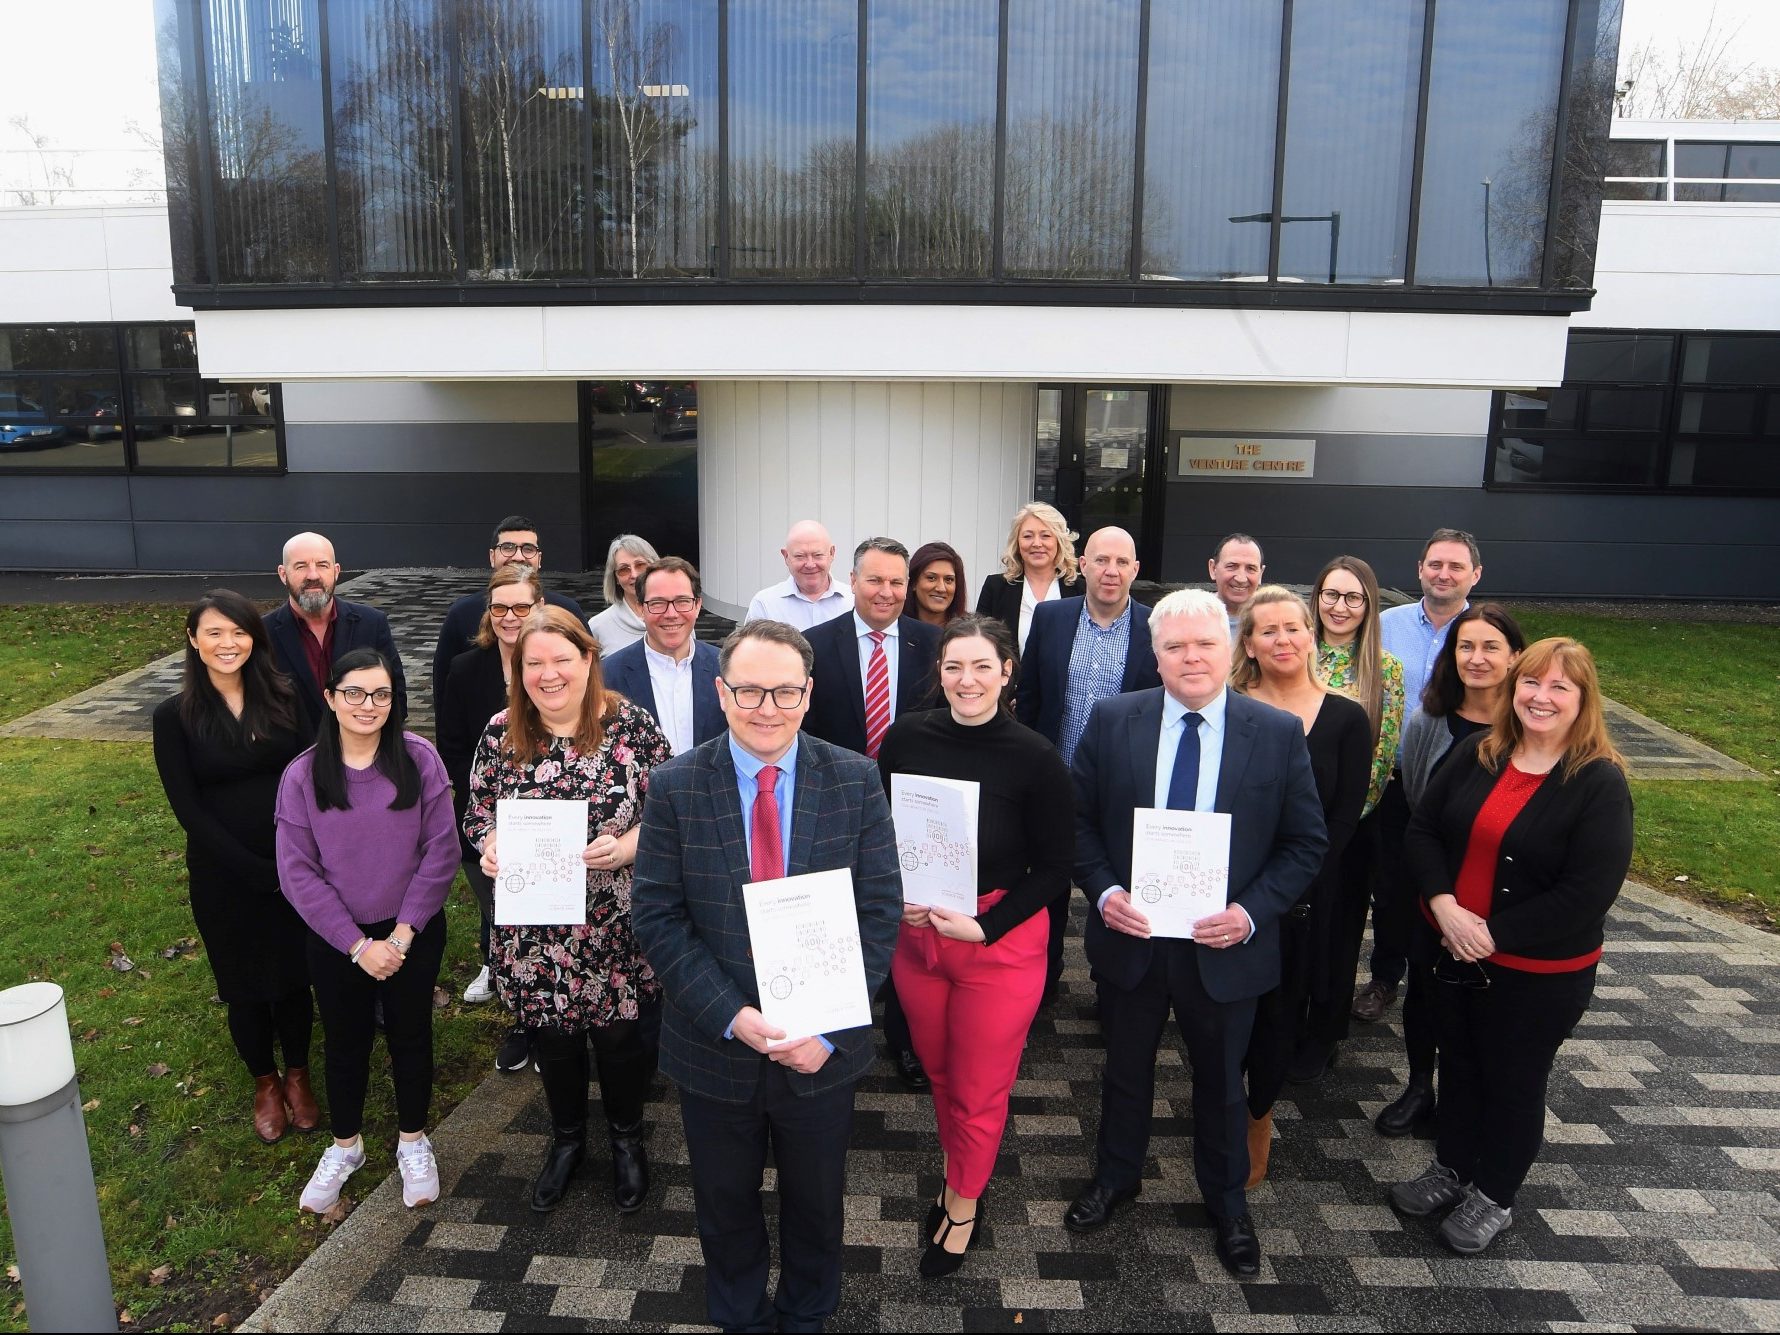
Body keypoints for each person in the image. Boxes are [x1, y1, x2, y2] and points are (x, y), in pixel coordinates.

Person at [631, 620, 902, 1332]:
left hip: (820, 1048)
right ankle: (741, 1315)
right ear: (721, 692)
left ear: (809, 693)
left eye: (784, 689)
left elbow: (880, 913)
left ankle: (808, 1311)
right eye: (748, 688)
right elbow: (657, 915)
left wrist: (832, 1028)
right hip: (714, 1045)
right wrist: (731, 1013)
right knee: (724, 1201)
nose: (766, 706)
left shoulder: (854, 779)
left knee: (817, 1200)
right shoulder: (676, 786)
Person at [1063, 589, 1326, 1279]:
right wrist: (1106, 890)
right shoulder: (1113, 718)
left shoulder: (1273, 732)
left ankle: (1228, 1203)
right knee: (1124, 1070)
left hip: (1225, 946)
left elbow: (1305, 843)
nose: (1190, 657)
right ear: (1155, 654)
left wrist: (1249, 913)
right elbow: (1078, 822)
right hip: (1135, 938)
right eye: (1174, 645)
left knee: (1221, 1082)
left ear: (1229, 647)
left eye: (1204, 643)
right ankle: (1116, 1176)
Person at [1388, 638, 1632, 1256]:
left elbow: (1588, 891)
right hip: (1451, 949)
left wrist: (1490, 934)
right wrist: (1444, 905)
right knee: (1459, 1064)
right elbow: (1422, 830)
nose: (1540, 697)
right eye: (1531, 683)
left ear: (1583, 700)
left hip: (1535, 972)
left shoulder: (1598, 783)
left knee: (1513, 1079)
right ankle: (1452, 1167)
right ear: (1513, 689)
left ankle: (1493, 1195)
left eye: (1559, 688)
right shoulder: (1479, 752)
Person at [877, 615, 1073, 1277]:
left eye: (982, 666)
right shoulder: (904, 738)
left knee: (980, 1086)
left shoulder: (1036, 757)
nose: (967, 679)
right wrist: (891, 890)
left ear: (1007, 671)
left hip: (999, 938)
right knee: (938, 1071)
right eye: (955, 666)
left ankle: (962, 1201)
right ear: (940, 671)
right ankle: (962, 1168)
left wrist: (988, 926)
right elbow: (884, 834)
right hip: (918, 935)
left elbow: (1055, 868)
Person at [464, 608, 673, 1215]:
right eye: (535, 663)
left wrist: (629, 845)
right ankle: (566, 1140)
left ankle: (627, 1138)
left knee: (619, 1036)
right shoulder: (501, 732)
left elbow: (668, 810)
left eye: (563, 659)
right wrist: (492, 847)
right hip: (536, 927)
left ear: (588, 660)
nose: (549, 674)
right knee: (553, 1038)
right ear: (518, 670)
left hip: (616, 920)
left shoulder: (631, 727)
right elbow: (477, 813)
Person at [275, 649, 458, 1215]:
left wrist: (400, 938)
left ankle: (412, 1140)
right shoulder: (303, 774)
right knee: (345, 1041)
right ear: (330, 699)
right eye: (354, 692)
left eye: (381, 694)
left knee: (410, 1034)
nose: (368, 705)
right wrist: (356, 945)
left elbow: (441, 850)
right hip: (338, 938)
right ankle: (345, 1146)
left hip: (412, 929)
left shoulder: (420, 759)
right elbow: (296, 870)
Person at [152, 589, 317, 1145]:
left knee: (294, 977)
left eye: (239, 631)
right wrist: (250, 869)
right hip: (224, 873)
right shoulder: (174, 717)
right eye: (215, 633)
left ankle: (297, 1073)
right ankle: (265, 1081)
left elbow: (315, 776)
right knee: (244, 983)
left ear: (255, 638)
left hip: (295, 863)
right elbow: (187, 808)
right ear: (194, 641)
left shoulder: (289, 697)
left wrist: (292, 860)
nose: (228, 643)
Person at [1228, 587, 1370, 1183]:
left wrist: (1287, 886)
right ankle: (1221, 1102)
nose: (1283, 640)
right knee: (1226, 1008)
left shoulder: (1346, 717)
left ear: (1312, 636)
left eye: (1294, 628)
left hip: (1305, 896)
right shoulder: (1228, 705)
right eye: (1268, 631)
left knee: (1280, 1013)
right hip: (1228, 890)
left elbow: (1343, 819)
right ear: (1250, 645)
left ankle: (1258, 1114)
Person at [1374, 603, 1525, 1138]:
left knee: (1487, 996)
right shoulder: (1428, 721)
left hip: (1502, 889)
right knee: (1426, 991)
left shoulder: (1532, 725)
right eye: (1465, 646)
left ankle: (1472, 1095)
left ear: (1515, 658)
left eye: (1490, 647)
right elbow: (1414, 802)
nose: (1476, 658)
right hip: (1433, 883)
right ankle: (1420, 1086)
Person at [804, 537, 942, 1091]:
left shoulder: (934, 643)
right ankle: (829, 1029)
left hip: (915, 808)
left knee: (907, 921)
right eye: (875, 580)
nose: (886, 592)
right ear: (853, 581)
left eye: (896, 582)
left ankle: (905, 1040)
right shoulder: (814, 644)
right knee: (835, 919)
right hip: (837, 806)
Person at [1015, 525, 1161, 1002]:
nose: (1111, 571)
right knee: (1048, 885)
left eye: (1122, 562)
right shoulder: (1052, 618)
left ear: (1136, 570)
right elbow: (1032, 696)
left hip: (1124, 785)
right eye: (1101, 560)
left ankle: (1111, 987)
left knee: (1116, 886)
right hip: (1054, 778)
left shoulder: (1156, 626)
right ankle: (1045, 977)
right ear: (1082, 565)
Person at [1359, 528, 1486, 1023]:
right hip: (1392, 782)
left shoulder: (1483, 632)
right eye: (1435, 564)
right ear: (1419, 570)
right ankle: (1384, 979)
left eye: (1456, 566)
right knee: (1391, 888)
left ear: (1475, 575)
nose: (1444, 574)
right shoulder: (1386, 625)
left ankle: (1442, 972)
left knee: (1450, 885)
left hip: (1461, 788)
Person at [436, 566, 540, 1064]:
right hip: (488, 818)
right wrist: (488, 813)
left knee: (555, 923)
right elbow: (453, 748)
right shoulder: (465, 669)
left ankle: (562, 1021)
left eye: (522, 607)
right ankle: (525, 1022)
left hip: (555, 817)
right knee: (506, 923)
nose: (510, 617)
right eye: (500, 607)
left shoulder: (557, 662)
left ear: (539, 608)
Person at [1306, 556, 1405, 1068]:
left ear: (1368, 606)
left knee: (1338, 931)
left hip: (1350, 830)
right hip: (1288, 825)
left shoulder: (1384, 669)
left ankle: (1323, 1032)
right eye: (1331, 594)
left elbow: (1380, 760)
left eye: (1353, 598)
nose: (1340, 607)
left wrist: (1337, 828)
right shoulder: (1293, 652)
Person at [430, 515, 586, 709]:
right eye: (508, 547)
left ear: (539, 559)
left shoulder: (568, 611)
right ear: (492, 556)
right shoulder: (460, 615)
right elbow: (444, 695)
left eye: (528, 549)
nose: (518, 556)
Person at [263, 532, 407, 738]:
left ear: (336, 571)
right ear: (283, 573)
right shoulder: (262, 633)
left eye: (322, 565)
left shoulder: (372, 623)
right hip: (290, 762)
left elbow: (396, 698)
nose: (313, 575)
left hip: (361, 756)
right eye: (301, 566)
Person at [601, 557, 725, 756]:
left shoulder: (727, 669)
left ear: (698, 605)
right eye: (658, 603)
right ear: (641, 608)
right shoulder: (606, 675)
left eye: (682, 601)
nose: (671, 613)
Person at [974, 501, 1082, 651]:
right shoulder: (996, 587)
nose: (1037, 543)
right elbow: (979, 642)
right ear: (1017, 542)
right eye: (1028, 536)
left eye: (1045, 535)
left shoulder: (1080, 590)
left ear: (1059, 541)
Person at [744, 519, 854, 630]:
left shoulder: (854, 601)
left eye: (817, 555)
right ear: (786, 556)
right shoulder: (764, 606)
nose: (810, 564)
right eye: (800, 556)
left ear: (832, 553)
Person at [587, 533, 661, 657]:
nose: (634, 575)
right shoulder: (597, 626)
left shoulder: (677, 619)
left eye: (640, 565)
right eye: (624, 569)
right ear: (615, 578)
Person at [1208, 534, 1266, 641]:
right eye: (1231, 566)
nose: (1241, 578)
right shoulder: (1189, 617)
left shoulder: (1273, 620)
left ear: (1261, 574)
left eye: (1251, 568)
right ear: (1213, 569)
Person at [904, 541, 969, 627]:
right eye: (931, 578)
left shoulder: (971, 633)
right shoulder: (894, 628)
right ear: (913, 582)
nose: (941, 588)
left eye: (949, 579)